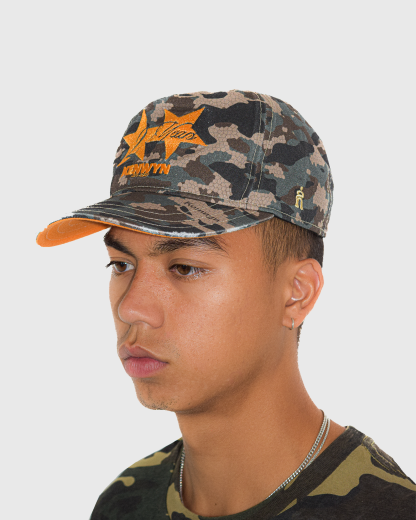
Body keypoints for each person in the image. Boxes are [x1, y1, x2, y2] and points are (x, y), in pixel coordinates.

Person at [37, 90, 416, 519]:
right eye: (121, 264)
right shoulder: (124, 504)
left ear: (297, 292)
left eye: (184, 268)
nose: (132, 308)